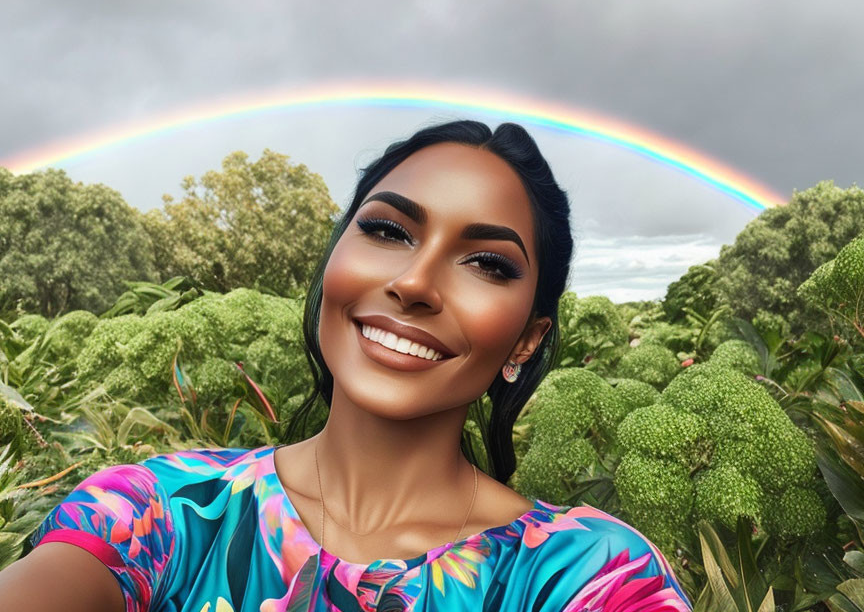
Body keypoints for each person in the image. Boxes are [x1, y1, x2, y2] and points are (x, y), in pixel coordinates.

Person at [0, 120, 693, 611]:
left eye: (487, 262)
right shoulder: (162, 512)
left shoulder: (589, 579)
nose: (417, 282)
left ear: (526, 340)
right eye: (388, 230)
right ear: (333, 261)